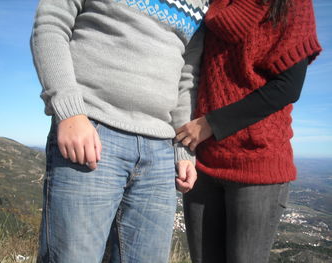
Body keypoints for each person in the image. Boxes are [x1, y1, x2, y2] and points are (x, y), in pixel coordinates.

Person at [30, 0, 209, 262]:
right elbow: (51, 22)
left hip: (160, 152)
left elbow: (187, 76)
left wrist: (182, 149)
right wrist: (69, 111)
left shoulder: (201, 3)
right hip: (91, 129)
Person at [175, 0, 322, 262]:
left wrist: (210, 124)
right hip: (203, 163)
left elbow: (287, 87)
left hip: (258, 166)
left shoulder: (292, 4)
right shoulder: (210, 6)